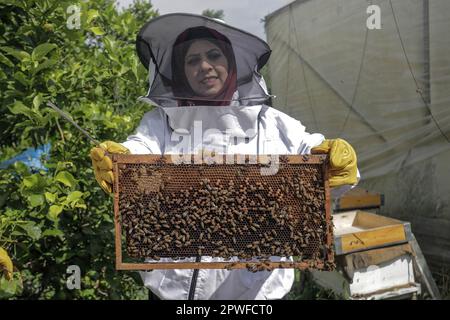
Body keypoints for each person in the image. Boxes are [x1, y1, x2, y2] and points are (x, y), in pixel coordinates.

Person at [90, 13, 358, 300]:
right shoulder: (161, 124)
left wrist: (333, 161)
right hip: (172, 296)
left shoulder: (269, 123)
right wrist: (120, 160)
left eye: (214, 55)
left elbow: (314, 159)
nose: (204, 66)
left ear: (230, 63)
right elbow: (139, 150)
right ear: (180, 72)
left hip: (254, 298)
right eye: (192, 61)